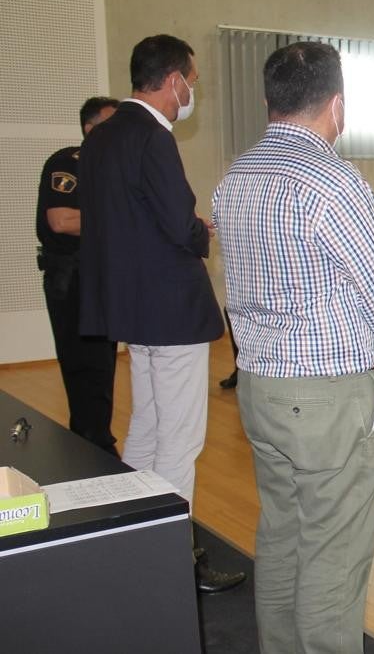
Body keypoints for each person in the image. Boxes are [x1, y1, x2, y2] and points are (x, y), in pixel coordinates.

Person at [215, 41, 374, 648]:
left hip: (261, 384)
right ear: (337, 106)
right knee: (336, 549)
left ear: (268, 100)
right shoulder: (333, 179)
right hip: (327, 393)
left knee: (282, 531)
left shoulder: (238, 174)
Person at [77, 35, 240, 592]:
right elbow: (178, 222)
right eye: (191, 82)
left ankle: (128, 532)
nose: (190, 92)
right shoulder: (152, 134)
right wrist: (200, 231)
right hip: (170, 307)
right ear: (172, 80)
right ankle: (167, 559)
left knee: (145, 423)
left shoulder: (100, 136)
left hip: (131, 306)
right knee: (181, 438)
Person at [35, 96, 119, 453]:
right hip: (72, 280)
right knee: (82, 365)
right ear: (91, 129)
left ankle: (98, 441)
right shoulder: (70, 162)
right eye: (112, 126)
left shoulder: (111, 170)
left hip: (101, 279)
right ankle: (88, 443)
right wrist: (119, 218)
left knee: (103, 367)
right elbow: (62, 220)